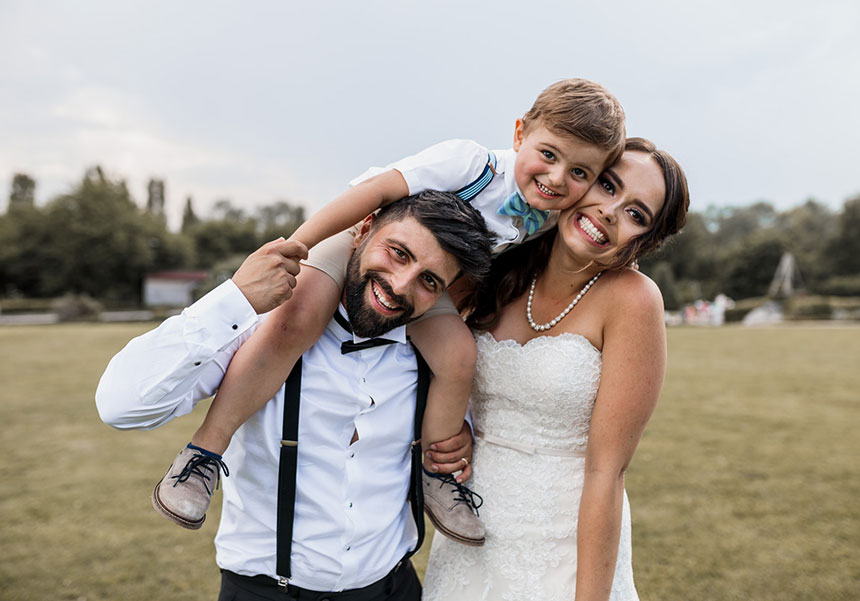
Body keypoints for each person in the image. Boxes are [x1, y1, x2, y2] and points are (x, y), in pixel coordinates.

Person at [154, 79, 627, 545]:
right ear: (520, 132)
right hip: (369, 242)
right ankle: (202, 454)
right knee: (296, 319)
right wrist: (300, 245)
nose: (558, 178)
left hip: (425, 281)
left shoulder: (552, 214)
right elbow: (378, 192)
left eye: (580, 173)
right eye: (548, 154)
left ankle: (437, 476)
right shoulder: (471, 163)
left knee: (459, 356)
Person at [96, 191, 494, 601]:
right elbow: (121, 406)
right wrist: (235, 299)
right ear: (364, 228)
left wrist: (457, 441)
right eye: (398, 253)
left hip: (395, 587)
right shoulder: (262, 327)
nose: (399, 285)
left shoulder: (438, 357)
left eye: (430, 281)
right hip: (266, 592)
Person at [422, 138, 690, 601]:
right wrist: (456, 429)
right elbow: (423, 334)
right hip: (473, 532)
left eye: (636, 214)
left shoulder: (633, 300)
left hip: (563, 545)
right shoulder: (499, 264)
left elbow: (607, 472)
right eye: (608, 185)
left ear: (644, 240)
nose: (610, 211)